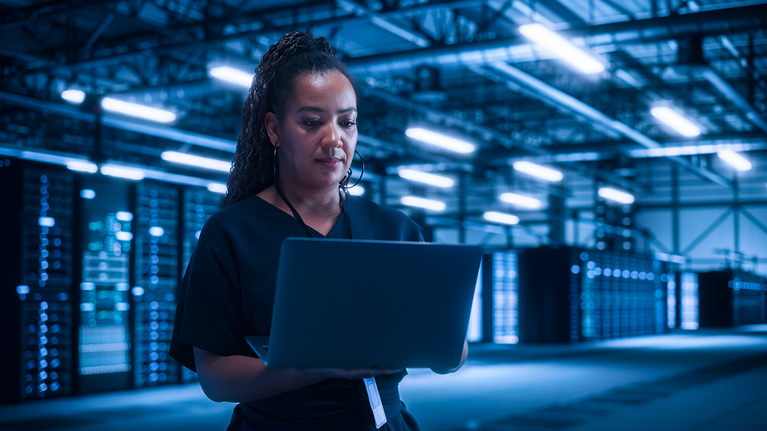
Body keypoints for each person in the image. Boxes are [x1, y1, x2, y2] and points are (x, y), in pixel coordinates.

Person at [170, 30, 468, 430]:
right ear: (274, 129)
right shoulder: (230, 234)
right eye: (312, 122)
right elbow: (215, 377)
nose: (335, 139)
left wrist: (446, 343)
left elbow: (449, 355)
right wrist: (311, 369)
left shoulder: (395, 229)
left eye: (347, 122)